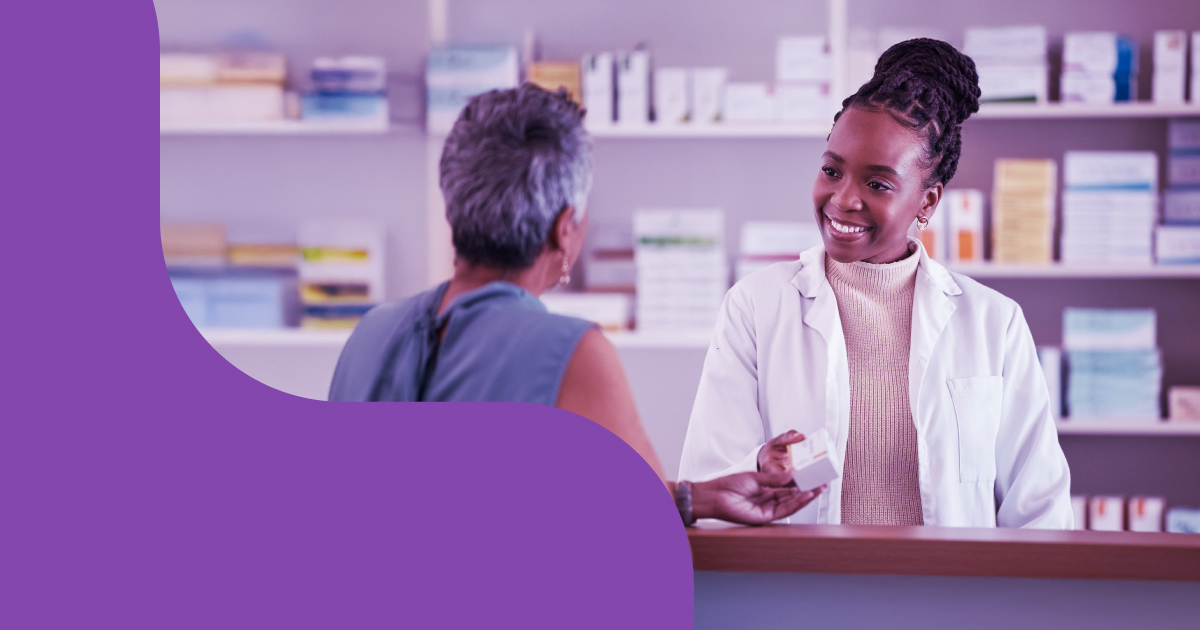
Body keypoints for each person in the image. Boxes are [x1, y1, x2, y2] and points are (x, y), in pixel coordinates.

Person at [328, 83, 823, 526]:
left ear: (452, 207)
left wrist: (694, 498)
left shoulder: (372, 332)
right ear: (565, 228)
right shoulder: (570, 352)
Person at [679, 39, 1073, 529]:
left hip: (950, 597)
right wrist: (763, 465)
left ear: (927, 202)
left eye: (878, 184)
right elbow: (708, 480)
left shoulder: (993, 321)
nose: (843, 199)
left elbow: (1040, 508)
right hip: (803, 594)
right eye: (832, 170)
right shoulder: (756, 307)